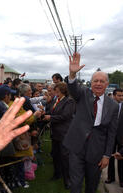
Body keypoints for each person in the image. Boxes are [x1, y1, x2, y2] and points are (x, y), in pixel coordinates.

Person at [63, 53, 118, 193]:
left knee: (92, 186)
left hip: (97, 150)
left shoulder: (113, 105)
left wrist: (107, 155)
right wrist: (72, 74)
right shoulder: (82, 94)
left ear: (107, 84)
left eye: (102, 81)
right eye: (95, 81)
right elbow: (73, 88)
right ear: (91, 83)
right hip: (77, 146)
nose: (98, 84)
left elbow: (112, 132)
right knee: (75, 184)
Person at [43, 82, 75, 189]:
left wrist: (50, 118)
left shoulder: (69, 101)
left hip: (64, 133)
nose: (55, 93)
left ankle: (68, 180)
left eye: (57, 91)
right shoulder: (57, 100)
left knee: (65, 157)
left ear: (62, 91)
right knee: (56, 156)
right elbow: (52, 112)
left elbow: (65, 116)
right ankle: (57, 174)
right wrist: (45, 114)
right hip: (55, 133)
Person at [105, 88, 123, 186]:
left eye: (122, 95)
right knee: (110, 157)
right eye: (119, 95)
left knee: (121, 158)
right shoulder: (109, 106)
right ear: (114, 95)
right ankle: (110, 177)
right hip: (110, 136)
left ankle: (121, 180)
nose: (121, 97)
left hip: (121, 137)